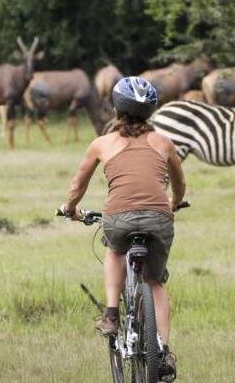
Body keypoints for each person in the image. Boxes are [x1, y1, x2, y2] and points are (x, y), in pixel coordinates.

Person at [59, 76, 186, 380]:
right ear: (150, 111)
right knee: (155, 283)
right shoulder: (163, 142)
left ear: (116, 108)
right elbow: (180, 183)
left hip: (118, 217)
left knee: (115, 250)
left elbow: (78, 185)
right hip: (159, 218)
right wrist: (175, 203)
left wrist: (70, 208)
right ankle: (163, 350)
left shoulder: (101, 143)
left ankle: (112, 313)